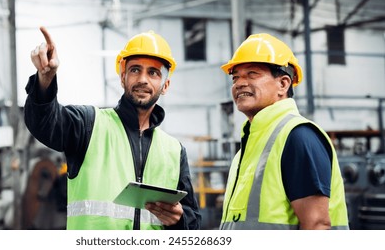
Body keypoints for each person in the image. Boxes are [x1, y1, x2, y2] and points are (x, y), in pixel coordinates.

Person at [24, 27, 201, 230]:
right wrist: (45, 80)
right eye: (135, 70)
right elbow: (44, 123)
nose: (143, 79)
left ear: (165, 85)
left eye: (153, 72)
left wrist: (179, 220)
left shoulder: (174, 151)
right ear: (122, 77)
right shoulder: (89, 125)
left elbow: (192, 222)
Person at [219, 33, 349, 230]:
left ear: (283, 84)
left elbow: (317, 225)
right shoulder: (248, 148)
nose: (239, 83)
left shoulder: (298, 136)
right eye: (235, 77)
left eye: (252, 74)